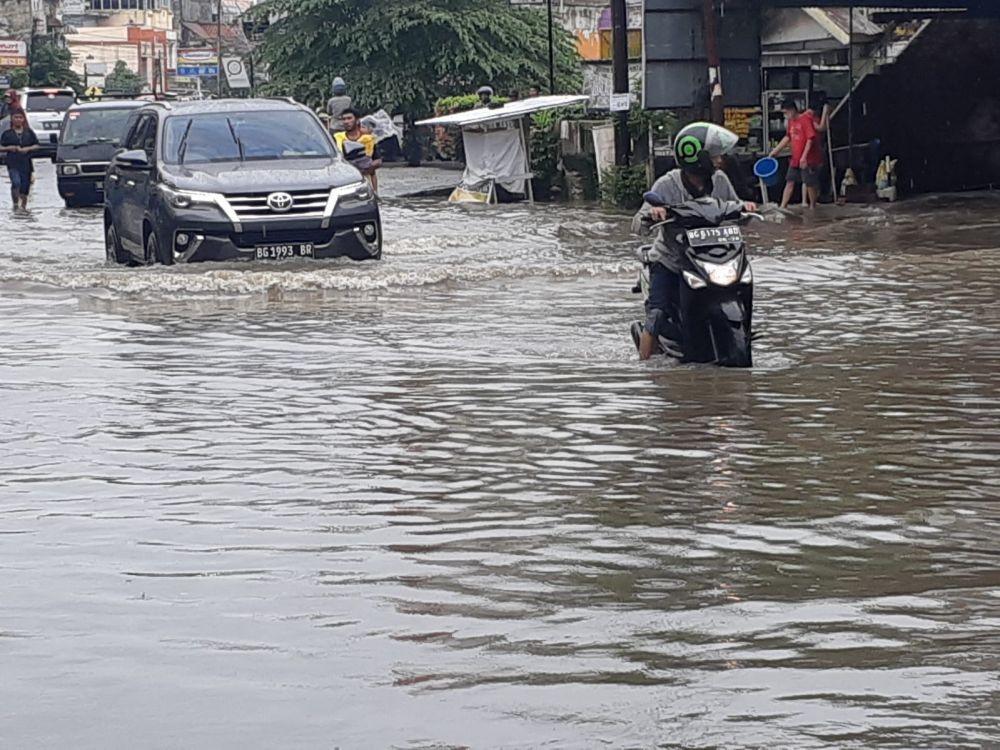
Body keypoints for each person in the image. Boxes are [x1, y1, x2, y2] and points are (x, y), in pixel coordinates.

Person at [632, 129, 756, 360]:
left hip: (715, 257)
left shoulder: (719, 180)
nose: (720, 160)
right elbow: (637, 223)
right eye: (714, 155)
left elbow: (736, 209)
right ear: (697, 159)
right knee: (657, 313)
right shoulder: (667, 184)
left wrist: (746, 208)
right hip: (672, 260)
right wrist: (653, 212)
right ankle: (644, 365)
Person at [769, 98, 822, 209]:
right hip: (795, 158)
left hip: (808, 158)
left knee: (809, 183)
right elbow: (787, 137)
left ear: (792, 110)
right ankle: (783, 206)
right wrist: (775, 151)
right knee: (790, 181)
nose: (785, 115)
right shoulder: (791, 122)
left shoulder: (805, 120)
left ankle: (812, 206)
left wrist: (804, 157)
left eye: (786, 112)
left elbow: (810, 139)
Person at [1, 109, 39, 209]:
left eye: (20, 117)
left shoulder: (29, 132)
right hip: (12, 163)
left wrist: (28, 149)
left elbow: (37, 145)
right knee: (16, 182)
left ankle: (23, 208)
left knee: (25, 187)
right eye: (16, 117)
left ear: (23, 119)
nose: (18, 120)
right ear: (12, 119)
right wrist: (9, 148)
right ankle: (15, 204)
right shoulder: (7, 134)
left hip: (26, 163)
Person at [335, 108, 381, 189]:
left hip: (365, 182)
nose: (346, 122)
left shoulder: (368, 140)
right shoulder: (338, 139)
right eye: (344, 119)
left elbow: (378, 160)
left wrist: (368, 167)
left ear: (357, 120)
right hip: (345, 182)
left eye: (349, 118)